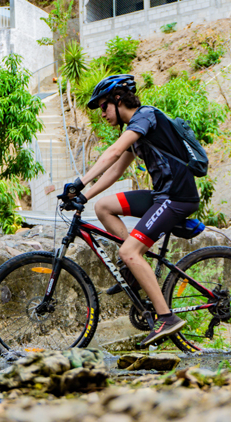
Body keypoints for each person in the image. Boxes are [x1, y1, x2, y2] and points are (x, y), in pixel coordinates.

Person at [63, 74, 201, 347]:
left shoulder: (145, 117)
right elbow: (116, 170)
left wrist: (79, 182)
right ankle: (134, 268)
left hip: (176, 198)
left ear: (118, 100)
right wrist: (84, 196)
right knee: (103, 207)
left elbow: (113, 153)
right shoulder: (136, 131)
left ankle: (166, 318)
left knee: (129, 251)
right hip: (162, 196)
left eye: (103, 106)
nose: (101, 114)